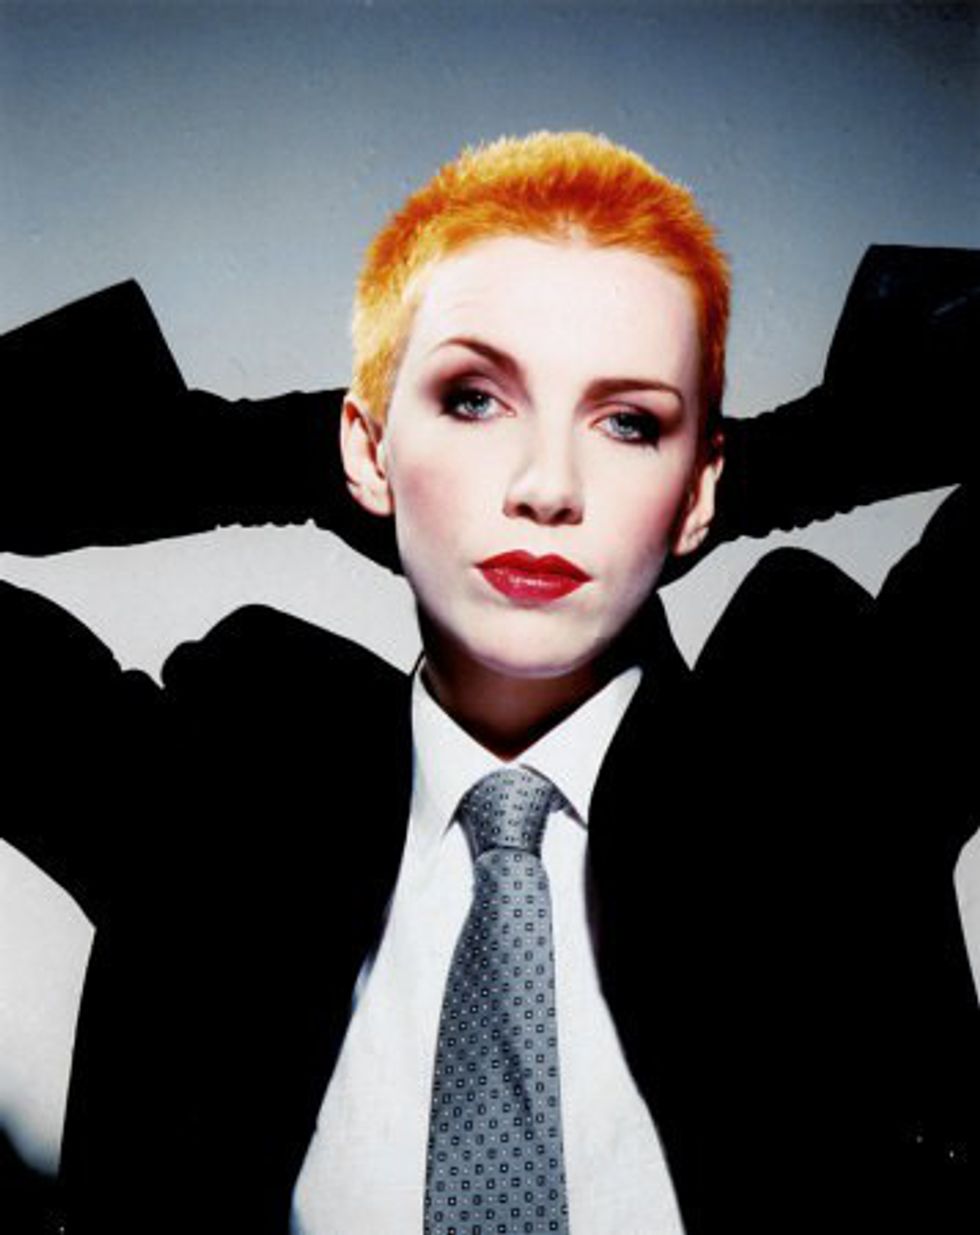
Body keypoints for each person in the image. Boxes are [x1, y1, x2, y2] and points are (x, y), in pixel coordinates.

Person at [1, 132, 977, 1235]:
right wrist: (274, 455)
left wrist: (773, 470)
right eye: (473, 400)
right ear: (369, 450)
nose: (546, 485)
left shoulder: (840, 761)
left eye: (626, 420)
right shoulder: (218, 791)